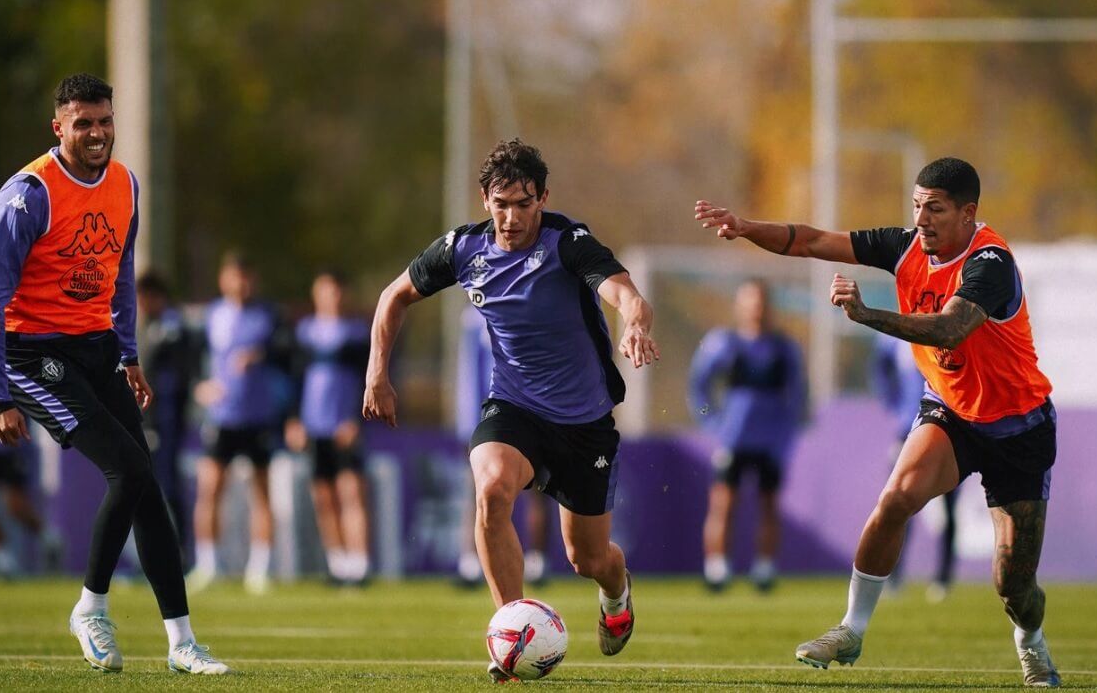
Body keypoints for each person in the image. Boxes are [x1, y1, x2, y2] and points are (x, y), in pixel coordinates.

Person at [696, 157, 1061, 688]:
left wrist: (867, 316)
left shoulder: (991, 262)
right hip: (952, 413)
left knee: (1014, 585)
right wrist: (749, 227)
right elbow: (814, 241)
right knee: (894, 500)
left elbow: (950, 329)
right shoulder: (906, 247)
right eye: (916, 207)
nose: (922, 220)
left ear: (968, 213)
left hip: (1018, 427)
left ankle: (1030, 639)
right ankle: (851, 627)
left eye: (934, 209)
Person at [364, 138, 659, 682]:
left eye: (523, 204)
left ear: (543, 199)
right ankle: (511, 633)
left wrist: (636, 320)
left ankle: (617, 594)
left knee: (588, 560)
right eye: (501, 203)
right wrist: (377, 372)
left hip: (583, 423)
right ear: (485, 200)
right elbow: (393, 297)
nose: (511, 217)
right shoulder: (464, 249)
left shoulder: (567, 242)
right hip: (514, 405)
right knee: (492, 489)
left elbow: (623, 292)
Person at [0, 73, 228, 674]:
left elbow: (120, 277)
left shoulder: (125, 186)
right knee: (132, 468)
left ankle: (182, 643)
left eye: (104, 120)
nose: (96, 133)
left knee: (148, 491)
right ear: (57, 127)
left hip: (96, 349)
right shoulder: (27, 197)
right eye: (82, 122)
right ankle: (90, 607)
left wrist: (129, 354)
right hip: (33, 354)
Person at [687, 279, 807, 593]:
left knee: (769, 503)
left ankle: (764, 568)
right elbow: (699, 387)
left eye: (762, 301)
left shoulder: (784, 348)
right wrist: (711, 423)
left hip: (771, 440)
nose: (756, 308)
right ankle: (717, 568)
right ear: (740, 306)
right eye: (750, 301)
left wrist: (787, 433)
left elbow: (797, 395)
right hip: (734, 438)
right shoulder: (723, 343)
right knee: (723, 503)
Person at [189, 252, 285, 594]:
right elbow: (190, 359)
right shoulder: (211, 316)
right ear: (223, 279)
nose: (241, 283)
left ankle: (260, 568)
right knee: (210, 489)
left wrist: (257, 356)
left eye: (246, 276)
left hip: (257, 417)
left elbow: (283, 352)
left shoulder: (268, 317)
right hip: (221, 417)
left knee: (261, 492)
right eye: (235, 276)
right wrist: (199, 387)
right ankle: (208, 564)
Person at [453, 307, 556, 588]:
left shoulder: (538, 306)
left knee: (538, 488)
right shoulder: (476, 316)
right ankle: (472, 563)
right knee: (481, 489)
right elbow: (470, 372)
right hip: (492, 415)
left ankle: (536, 560)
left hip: (535, 412)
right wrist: (467, 423)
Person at [287, 271, 373, 586]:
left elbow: (369, 379)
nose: (331, 296)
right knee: (324, 496)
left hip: (344, 424)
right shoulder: (305, 333)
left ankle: (359, 563)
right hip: (314, 424)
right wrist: (293, 419)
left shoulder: (357, 333)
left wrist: (357, 417)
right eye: (325, 290)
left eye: (336, 290)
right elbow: (295, 380)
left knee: (351, 492)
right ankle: (338, 564)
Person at [870, 333, 959, 602]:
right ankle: (894, 574)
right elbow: (880, 370)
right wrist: (896, 406)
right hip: (908, 428)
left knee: (948, 506)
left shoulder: (946, 324)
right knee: (898, 502)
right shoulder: (892, 337)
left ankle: (943, 576)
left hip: (950, 426)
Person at [0, 364, 61, 577]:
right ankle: (2, 561)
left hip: (15, 440)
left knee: (15, 507)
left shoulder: (16, 341)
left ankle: (49, 538)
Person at [137, 271, 199, 562]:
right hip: (143, 419)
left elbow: (179, 376)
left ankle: (180, 553)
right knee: (140, 487)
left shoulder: (171, 327)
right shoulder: (141, 328)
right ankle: (148, 555)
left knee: (168, 485)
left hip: (165, 419)